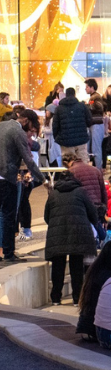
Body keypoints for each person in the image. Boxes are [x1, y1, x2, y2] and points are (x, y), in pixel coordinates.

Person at [44, 169, 100, 305]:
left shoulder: (53, 194)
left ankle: (56, 298)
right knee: (76, 268)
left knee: (58, 267)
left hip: (57, 234)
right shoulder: (81, 191)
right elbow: (92, 212)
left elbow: (47, 216)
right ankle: (76, 298)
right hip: (78, 232)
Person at [0, 110, 45, 263]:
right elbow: (28, 159)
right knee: (8, 217)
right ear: (26, 120)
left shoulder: (2, 125)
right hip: (7, 178)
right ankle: (8, 253)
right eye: (32, 128)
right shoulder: (17, 131)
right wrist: (43, 179)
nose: (31, 132)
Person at [76, 239, 111, 340]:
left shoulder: (99, 270)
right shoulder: (106, 277)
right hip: (94, 328)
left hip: (90, 326)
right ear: (109, 257)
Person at [62, 152, 108, 220]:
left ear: (65, 162)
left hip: (81, 208)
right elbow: (103, 191)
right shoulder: (95, 170)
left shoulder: (71, 172)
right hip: (97, 208)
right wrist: (105, 213)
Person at [52, 87, 92, 162]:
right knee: (83, 163)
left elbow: (55, 126)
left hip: (65, 141)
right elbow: (89, 121)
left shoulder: (59, 108)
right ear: (75, 94)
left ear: (65, 95)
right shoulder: (82, 106)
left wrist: (58, 138)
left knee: (69, 164)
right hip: (81, 140)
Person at [85, 78, 105, 169]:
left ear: (92, 87)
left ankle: (98, 170)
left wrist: (87, 105)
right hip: (94, 125)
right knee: (94, 148)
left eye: (87, 87)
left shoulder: (96, 97)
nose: (85, 89)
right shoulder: (94, 97)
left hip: (96, 124)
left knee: (96, 149)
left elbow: (99, 107)